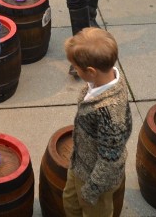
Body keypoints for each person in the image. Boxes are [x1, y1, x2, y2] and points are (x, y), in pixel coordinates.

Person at [62, 28, 131, 216]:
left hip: (96, 179)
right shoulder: (103, 80)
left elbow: (111, 158)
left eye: (75, 67)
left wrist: (92, 188)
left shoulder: (109, 112)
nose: (74, 70)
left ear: (91, 71)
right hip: (80, 163)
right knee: (70, 202)